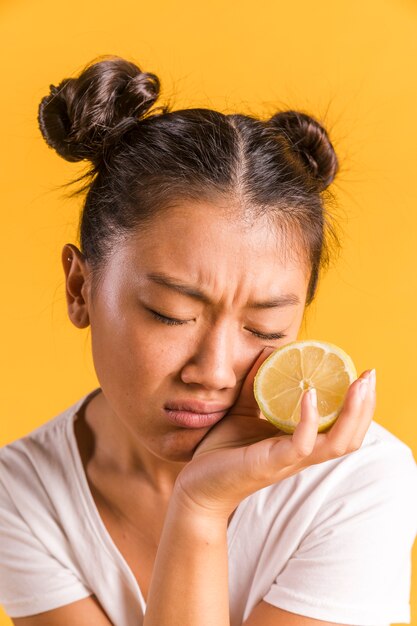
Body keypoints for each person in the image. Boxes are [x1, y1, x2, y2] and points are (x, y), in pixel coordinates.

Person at [1, 55, 416, 626]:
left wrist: (201, 506)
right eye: (170, 314)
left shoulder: (357, 482)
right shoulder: (23, 494)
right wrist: (198, 507)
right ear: (80, 287)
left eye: (263, 328)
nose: (216, 371)